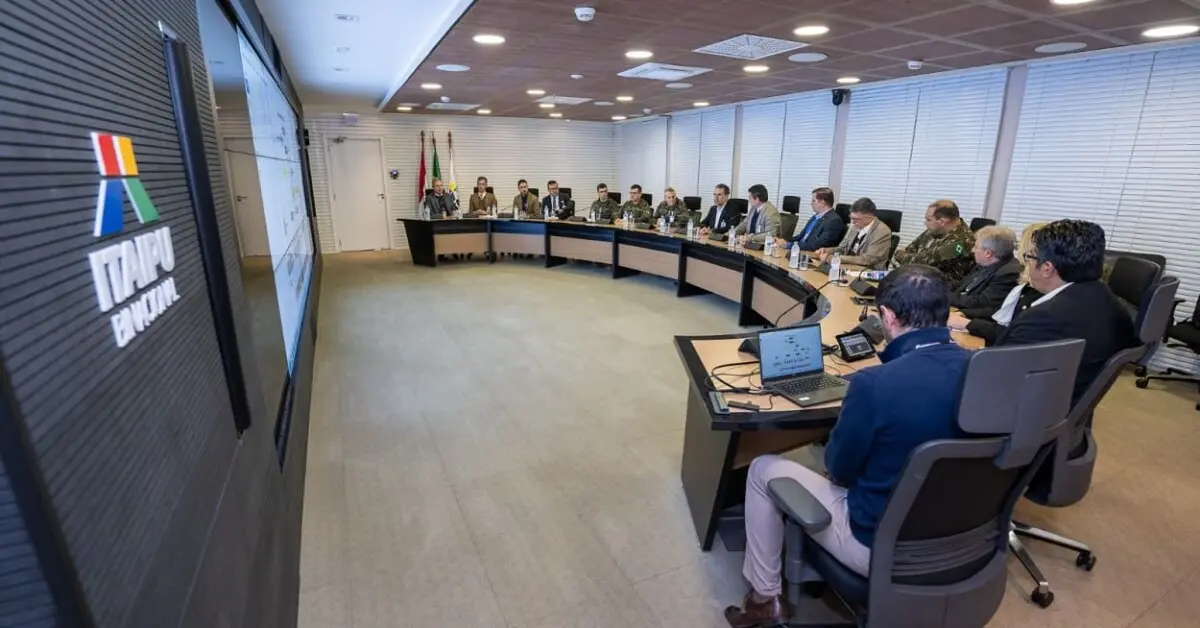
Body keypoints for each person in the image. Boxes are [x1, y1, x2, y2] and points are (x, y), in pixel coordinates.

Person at [725, 265, 971, 628]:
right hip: (965, 536)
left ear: (887, 316)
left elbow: (839, 470)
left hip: (880, 544)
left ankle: (764, 599)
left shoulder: (874, 384)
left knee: (762, 468)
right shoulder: (987, 370)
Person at [995, 219, 1137, 405]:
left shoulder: (1042, 318)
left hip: (1026, 411)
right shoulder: (1112, 304)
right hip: (1066, 403)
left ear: (1047, 269)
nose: (1026, 264)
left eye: (1029, 257)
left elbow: (996, 376)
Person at [950, 223, 1045, 345]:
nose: (972, 250)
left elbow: (1004, 325)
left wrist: (967, 323)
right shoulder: (983, 264)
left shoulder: (1012, 273)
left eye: (1028, 254)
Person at [893, 200, 975, 282]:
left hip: (940, 286)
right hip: (918, 280)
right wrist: (907, 256)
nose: (925, 223)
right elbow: (911, 249)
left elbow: (920, 264)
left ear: (942, 222)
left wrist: (900, 255)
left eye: (928, 220)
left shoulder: (960, 243)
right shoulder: (935, 230)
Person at [946, 225, 1020, 315]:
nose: (972, 250)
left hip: (968, 315)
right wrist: (937, 286)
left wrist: (944, 295)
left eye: (976, 247)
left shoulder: (1008, 274)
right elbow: (962, 284)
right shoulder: (985, 262)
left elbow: (982, 302)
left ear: (988, 253)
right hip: (956, 307)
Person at [811, 197, 892, 269]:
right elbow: (842, 248)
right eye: (851, 218)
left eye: (856, 219)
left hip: (867, 272)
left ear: (869, 217)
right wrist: (827, 251)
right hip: (847, 268)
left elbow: (868, 259)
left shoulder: (882, 232)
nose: (852, 222)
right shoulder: (856, 226)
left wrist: (835, 258)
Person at [787, 187, 846, 251]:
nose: (811, 203)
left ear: (822, 203)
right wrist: (785, 241)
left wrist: (789, 245)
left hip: (808, 253)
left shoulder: (834, 221)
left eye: (813, 201)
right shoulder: (816, 216)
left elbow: (817, 246)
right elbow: (800, 237)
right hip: (799, 250)